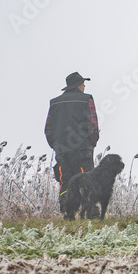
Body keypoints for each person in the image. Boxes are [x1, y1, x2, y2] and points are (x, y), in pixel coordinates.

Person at [45, 71, 99, 213]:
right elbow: (93, 125)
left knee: (66, 182)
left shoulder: (54, 103)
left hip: (62, 151)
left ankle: (67, 213)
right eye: (83, 84)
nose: (84, 87)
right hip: (82, 149)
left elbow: (48, 130)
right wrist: (92, 143)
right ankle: (91, 213)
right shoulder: (87, 99)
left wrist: (56, 146)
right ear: (79, 85)